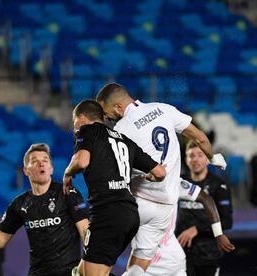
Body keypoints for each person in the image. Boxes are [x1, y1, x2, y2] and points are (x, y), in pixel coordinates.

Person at [96, 83, 227, 275]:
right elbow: (199, 137)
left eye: (105, 112)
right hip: (164, 209)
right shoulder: (163, 109)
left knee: (98, 254)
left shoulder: (120, 131)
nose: (105, 117)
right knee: (138, 264)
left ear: (118, 107)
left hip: (137, 204)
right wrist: (212, 157)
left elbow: (113, 174)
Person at [63, 100, 166, 276]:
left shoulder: (87, 130)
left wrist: (67, 174)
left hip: (107, 213)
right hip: (130, 215)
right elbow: (160, 172)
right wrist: (146, 177)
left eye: (75, 123)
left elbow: (81, 161)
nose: (75, 128)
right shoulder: (125, 140)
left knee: (91, 274)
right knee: (82, 272)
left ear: (81, 118)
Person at [0, 143, 89, 276]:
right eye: (34, 161)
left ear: (51, 169)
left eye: (45, 161)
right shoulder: (19, 204)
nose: (41, 164)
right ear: (26, 170)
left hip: (68, 272)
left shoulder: (68, 193)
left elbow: (85, 232)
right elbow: (1, 238)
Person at [130, 171, 235, 276]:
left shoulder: (174, 183)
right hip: (157, 257)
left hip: (172, 259)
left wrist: (217, 233)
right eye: (191, 155)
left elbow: (207, 199)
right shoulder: (132, 186)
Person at [176, 141, 233, 276]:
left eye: (200, 155)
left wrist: (197, 229)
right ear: (186, 159)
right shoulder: (178, 182)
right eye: (191, 156)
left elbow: (227, 221)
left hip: (209, 253)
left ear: (208, 159)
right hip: (180, 252)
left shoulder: (219, 186)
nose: (195, 159)